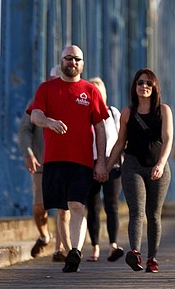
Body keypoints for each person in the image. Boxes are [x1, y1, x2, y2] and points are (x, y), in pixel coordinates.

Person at [29, 45, 110, 273]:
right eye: (68, 58)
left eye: (77, 59)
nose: (72, 62)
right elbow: (35, 115)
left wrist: (101, 160)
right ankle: (67, 249)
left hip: (81, 161)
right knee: (59, 209)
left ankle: (75, 251)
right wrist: (49, 122)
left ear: (82, 64)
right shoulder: (46, 88)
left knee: (76, 206)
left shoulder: (90, 91)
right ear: (61, 61)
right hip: (54, 160)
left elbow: (100, 126)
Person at [107, 68, 173, 273]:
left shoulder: (163, 110)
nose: (143, 86)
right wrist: (105, 167)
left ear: (154, 88)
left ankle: (152, 258)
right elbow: (120, 143)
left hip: (157, 167)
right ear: (134, 87)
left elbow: (168, 138)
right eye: (140, 82)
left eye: (148, 83)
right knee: (136, 211)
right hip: (133, 165)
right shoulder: (127, 113)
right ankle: (134, 252)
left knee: (153, 214)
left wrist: (161, 164)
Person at [18, 65, 66, 261]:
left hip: (65, 162)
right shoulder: (37, 101)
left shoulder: (73, 100)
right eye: (53, 79)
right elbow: (24, 130)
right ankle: (45, 235)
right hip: (42, 162)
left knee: (64, 210)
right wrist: (28, 152)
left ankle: (60, 249)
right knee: (40, 208)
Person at [85, 77, 124, 262]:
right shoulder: (83, 113)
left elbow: (120, 139)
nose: (96, 94)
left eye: (98, 91)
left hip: (112, 163)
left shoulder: (113, 113)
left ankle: (113, 245)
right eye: (92, 91)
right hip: (89, 163)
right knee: (92, 207)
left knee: (112, 205)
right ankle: (94, 248)